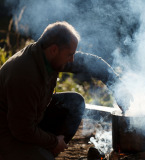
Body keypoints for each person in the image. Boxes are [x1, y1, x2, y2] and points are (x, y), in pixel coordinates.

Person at [0, 21, 130, 160]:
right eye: (69, 55)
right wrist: (54, 141)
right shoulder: (25, 75)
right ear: (54, 49)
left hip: (29, 120)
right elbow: (21, 130)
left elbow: (92, 63)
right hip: (7, 134)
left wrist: (118, 87)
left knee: (75, 102)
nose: (72, 59)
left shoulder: (47, 57)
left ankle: (44, 151)